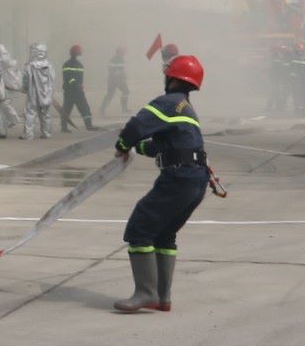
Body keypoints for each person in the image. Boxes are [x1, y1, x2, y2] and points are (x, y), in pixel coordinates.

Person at [113, 53, 209, 314]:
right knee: (165, 234)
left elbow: (136, 126)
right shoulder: (186, 107)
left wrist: (123, 145)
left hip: (178, 178)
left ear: (172, 78)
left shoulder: (168, 102)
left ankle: (145, 293)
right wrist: (142, 148)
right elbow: (167, 143)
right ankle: (162, 297)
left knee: (140, 227)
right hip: (196, 179)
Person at [20, 42, 55, 140]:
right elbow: (52, 79)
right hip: (46, 93)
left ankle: (29, 134)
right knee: (46, 114)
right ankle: (46, 134)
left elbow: (25, 79)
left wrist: (24, 89)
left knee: (30, 113)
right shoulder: (49, 66)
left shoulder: (29, 66)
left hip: (33, 93)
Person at [59, 45, 97, 131]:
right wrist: (76, 84)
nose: (81, 54)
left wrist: (80, 85)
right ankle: (64, 127)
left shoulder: (80, 65)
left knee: (85, 109)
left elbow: (80, 77)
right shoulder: (67, 64)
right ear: (75, 53)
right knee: (67, 109)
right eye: (79, 53)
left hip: (78, 91)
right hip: (70, 91)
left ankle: (89, 126)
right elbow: (67, 78)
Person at [100, 45, 130, 116]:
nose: (123, 53)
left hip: (116, 79)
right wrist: (120, 75)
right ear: (119, 52)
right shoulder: (116, 59)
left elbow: (120, 69)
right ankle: (103, 109)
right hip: (115, 80)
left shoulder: (119, 58)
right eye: (122, 52)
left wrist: (123, 75)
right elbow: (112, 69)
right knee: (115, 93)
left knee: (124, 92)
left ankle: (123, 108)